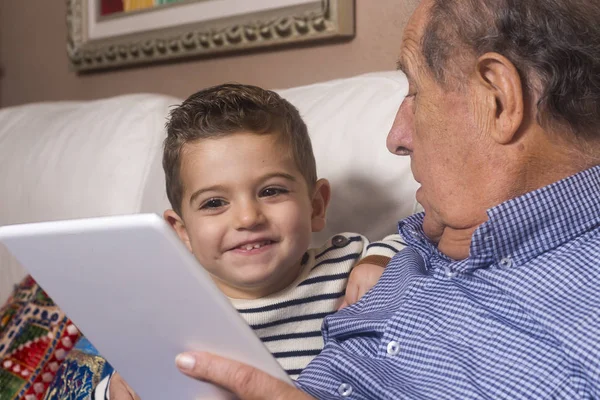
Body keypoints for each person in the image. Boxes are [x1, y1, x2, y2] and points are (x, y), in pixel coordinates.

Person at [165, 0, 600, 398]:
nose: (396, 138)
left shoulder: (577, 332)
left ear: (499, 100)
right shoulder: (437, 232)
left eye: (414, 91)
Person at [89, 83, 405, 398]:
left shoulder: (345, 262)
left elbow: (419, 247)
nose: (247, 218)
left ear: (316, 206)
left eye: (271, 191)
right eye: (214, 203)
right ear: (182, 233)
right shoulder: (171, 313)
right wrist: (117, 389)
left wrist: (379, 261)